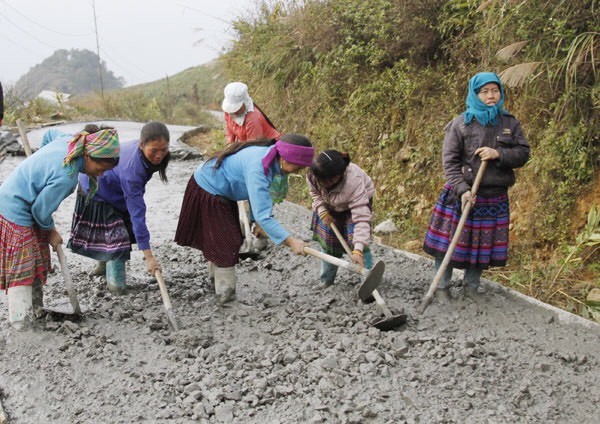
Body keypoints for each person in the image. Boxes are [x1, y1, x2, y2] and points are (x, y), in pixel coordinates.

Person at [423, 72, 530, 301]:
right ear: (475, 94)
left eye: (495, 90)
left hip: (494, 196)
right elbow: (449, 162)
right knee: (449, 243)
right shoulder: (461, 124)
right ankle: (442, 286)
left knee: (482, 246)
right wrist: (462, 189)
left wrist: (498, 153)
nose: (491, 96)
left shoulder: (509, 123)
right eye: (485, 91)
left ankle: (472, 286)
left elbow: (523, 154)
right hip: (462, 194)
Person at [0, 126, 120, 330]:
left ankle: (35, 309)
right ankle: (21, 322)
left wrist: (41, 164)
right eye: (101, 168)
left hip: (13, 196)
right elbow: (40, 210)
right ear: (89, 156)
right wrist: (51, 231)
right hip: (15, 209)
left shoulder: (70, 141)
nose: (100, 174)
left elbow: (48, 135)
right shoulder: (68, 175)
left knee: (35, 256)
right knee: (23, 265)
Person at [175, 134, 315, 305]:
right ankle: (226, 300)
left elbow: (259, 198)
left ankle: (215, 282)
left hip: (221, 190)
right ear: (285, 158)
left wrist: (256, 220)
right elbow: (265, 215)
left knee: (222, 239)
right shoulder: (259, 167)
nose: (298, 171)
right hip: (209, 188)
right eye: (298, 167)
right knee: (226, 243)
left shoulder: (270, 159)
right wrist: (292, 241)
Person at [65, 121, 170, 294]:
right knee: (116, 240)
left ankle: (103, 266)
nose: (159, 155)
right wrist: (149, 257)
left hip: (115, 189)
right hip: (96, 187)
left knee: (116, 230)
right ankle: (116, 286)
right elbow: (138, 213)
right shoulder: (132, 169)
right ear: (141, 144)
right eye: (154, 151)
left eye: (163, 150)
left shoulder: (147, 154)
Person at [306, 150, 376, 287]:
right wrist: (322, 210)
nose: (324, 185)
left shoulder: (353, 182)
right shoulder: (313, 175)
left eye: (329, 181)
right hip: (329, 204)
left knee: (358, 241)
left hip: (355, 205)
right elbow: (315, 193)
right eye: (321, 181)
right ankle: (326, 280)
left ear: (339, 175)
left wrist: (358, 249)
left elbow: (361, 218)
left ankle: (368, 283)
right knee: (329, 243)